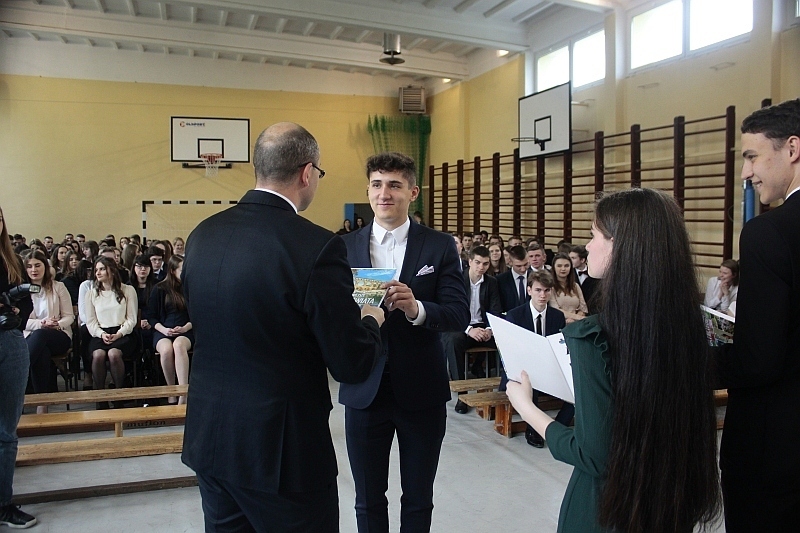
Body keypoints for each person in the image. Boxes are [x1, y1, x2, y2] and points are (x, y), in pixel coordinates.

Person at [181, 122, 384, 533]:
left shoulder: (203, 234)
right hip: (282, 454)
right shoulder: (315, 246)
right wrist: (370, 319)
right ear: (307, 173)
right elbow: (350, 363)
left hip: (211, 436)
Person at [506, 188, 720, 532]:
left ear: (620, 246)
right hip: (669, 504)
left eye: (594, 236)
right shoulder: (688, 331)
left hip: (606, 508)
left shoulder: (594, 338)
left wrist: (526, 408)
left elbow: (593, 454)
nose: (588, 246)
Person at [340, 151, 469, 533]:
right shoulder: (343, 247)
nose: (384, 194)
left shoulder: (439, 246)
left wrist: (417, 309)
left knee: (418, 497)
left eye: (394, 185)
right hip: (364, 389)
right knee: (367, 499)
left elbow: (458, 314)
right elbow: (329, 315)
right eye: (377, 184)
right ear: (368, 190)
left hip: (422, 389)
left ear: (412, 192)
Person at [716, 99, 800, 531]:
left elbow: (758, 360)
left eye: (752, 156)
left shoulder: (769, 232)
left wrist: (690, 356)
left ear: (792, 148)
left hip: (777, 452)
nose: (746, 173)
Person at [500, 270, 571, 448]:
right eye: (538, 290)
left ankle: (558, 426)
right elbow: (510, 352)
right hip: (521, 370)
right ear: (529, 290)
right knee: (532, 378)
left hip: (549, 368)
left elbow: (559, 348)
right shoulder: (515, 315)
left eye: (547, 291)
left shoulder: (557, 316)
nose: (542, 295)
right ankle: (533, 429)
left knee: (577, 383)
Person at [0, 206, 37, 529]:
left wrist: (15, 313)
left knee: (7, 431)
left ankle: (3, 503)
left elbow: (26, 300)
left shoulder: (10, 260)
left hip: (10, 340)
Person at [441, 245, 501, 412]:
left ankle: (502, 392)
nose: (481, 267)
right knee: (452, 341)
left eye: (485, 263)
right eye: (478, 262)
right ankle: (462, 394)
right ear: (470, 261)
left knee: (505, 340)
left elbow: (495, 310)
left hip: (482, 326)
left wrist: (489, 329)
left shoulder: (492, 282)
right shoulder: (457, 280)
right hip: (460, 326)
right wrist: (468, 329)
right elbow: (450, 310)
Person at [23, 250, 74, 412]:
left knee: (41, 335)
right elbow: (21, 321)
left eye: (37, 265)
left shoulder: (58, 287)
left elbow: (69, 316)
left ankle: (20, 370)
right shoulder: (22, 290)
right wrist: (41, 323)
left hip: (58, 334)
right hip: (31, 338)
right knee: (42, 352)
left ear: (45, 267)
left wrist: (56, 324)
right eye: (29, 266)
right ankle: (42, 404)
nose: (33, 270)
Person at [84, 256, 138, 403]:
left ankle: (118, 395)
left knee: (114, 354)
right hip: (100, 333)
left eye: (102, 269)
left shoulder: (128, 290)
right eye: (96, 270)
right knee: (98, 355)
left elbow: (131, 319)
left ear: (112, 271)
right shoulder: (91, 293)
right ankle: (100, 398)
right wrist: (101, 334)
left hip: (123, 333)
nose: (98, 273)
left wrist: (119, 334)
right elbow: (90, 321)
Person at [147, 255, 192, 405]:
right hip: (163, 330)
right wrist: (164, 330)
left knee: (178, 346)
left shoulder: (189, 288)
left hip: (185, 329)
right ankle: (171, 390)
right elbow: (151, 317)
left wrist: (185, 327)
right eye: (182, 270)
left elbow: (197, 315)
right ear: (172, 271)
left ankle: (183, 393)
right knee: (166, 350)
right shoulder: (160, 288)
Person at [550, 252, 588, 324]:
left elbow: (583, 308)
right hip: (559, 323)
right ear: (554, 267)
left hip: (577, 324)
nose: (563, 269)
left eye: (566, 266)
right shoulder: (550, 286)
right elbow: (555, 310)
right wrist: (578, 317)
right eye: (559, 266)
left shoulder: (575, 285)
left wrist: (575, 320)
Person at [495, 245, 531, 312]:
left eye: (525, 264)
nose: (523, 269)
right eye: (518, 266)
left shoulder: (536, 278)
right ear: (510, 262)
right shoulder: (500, 280)